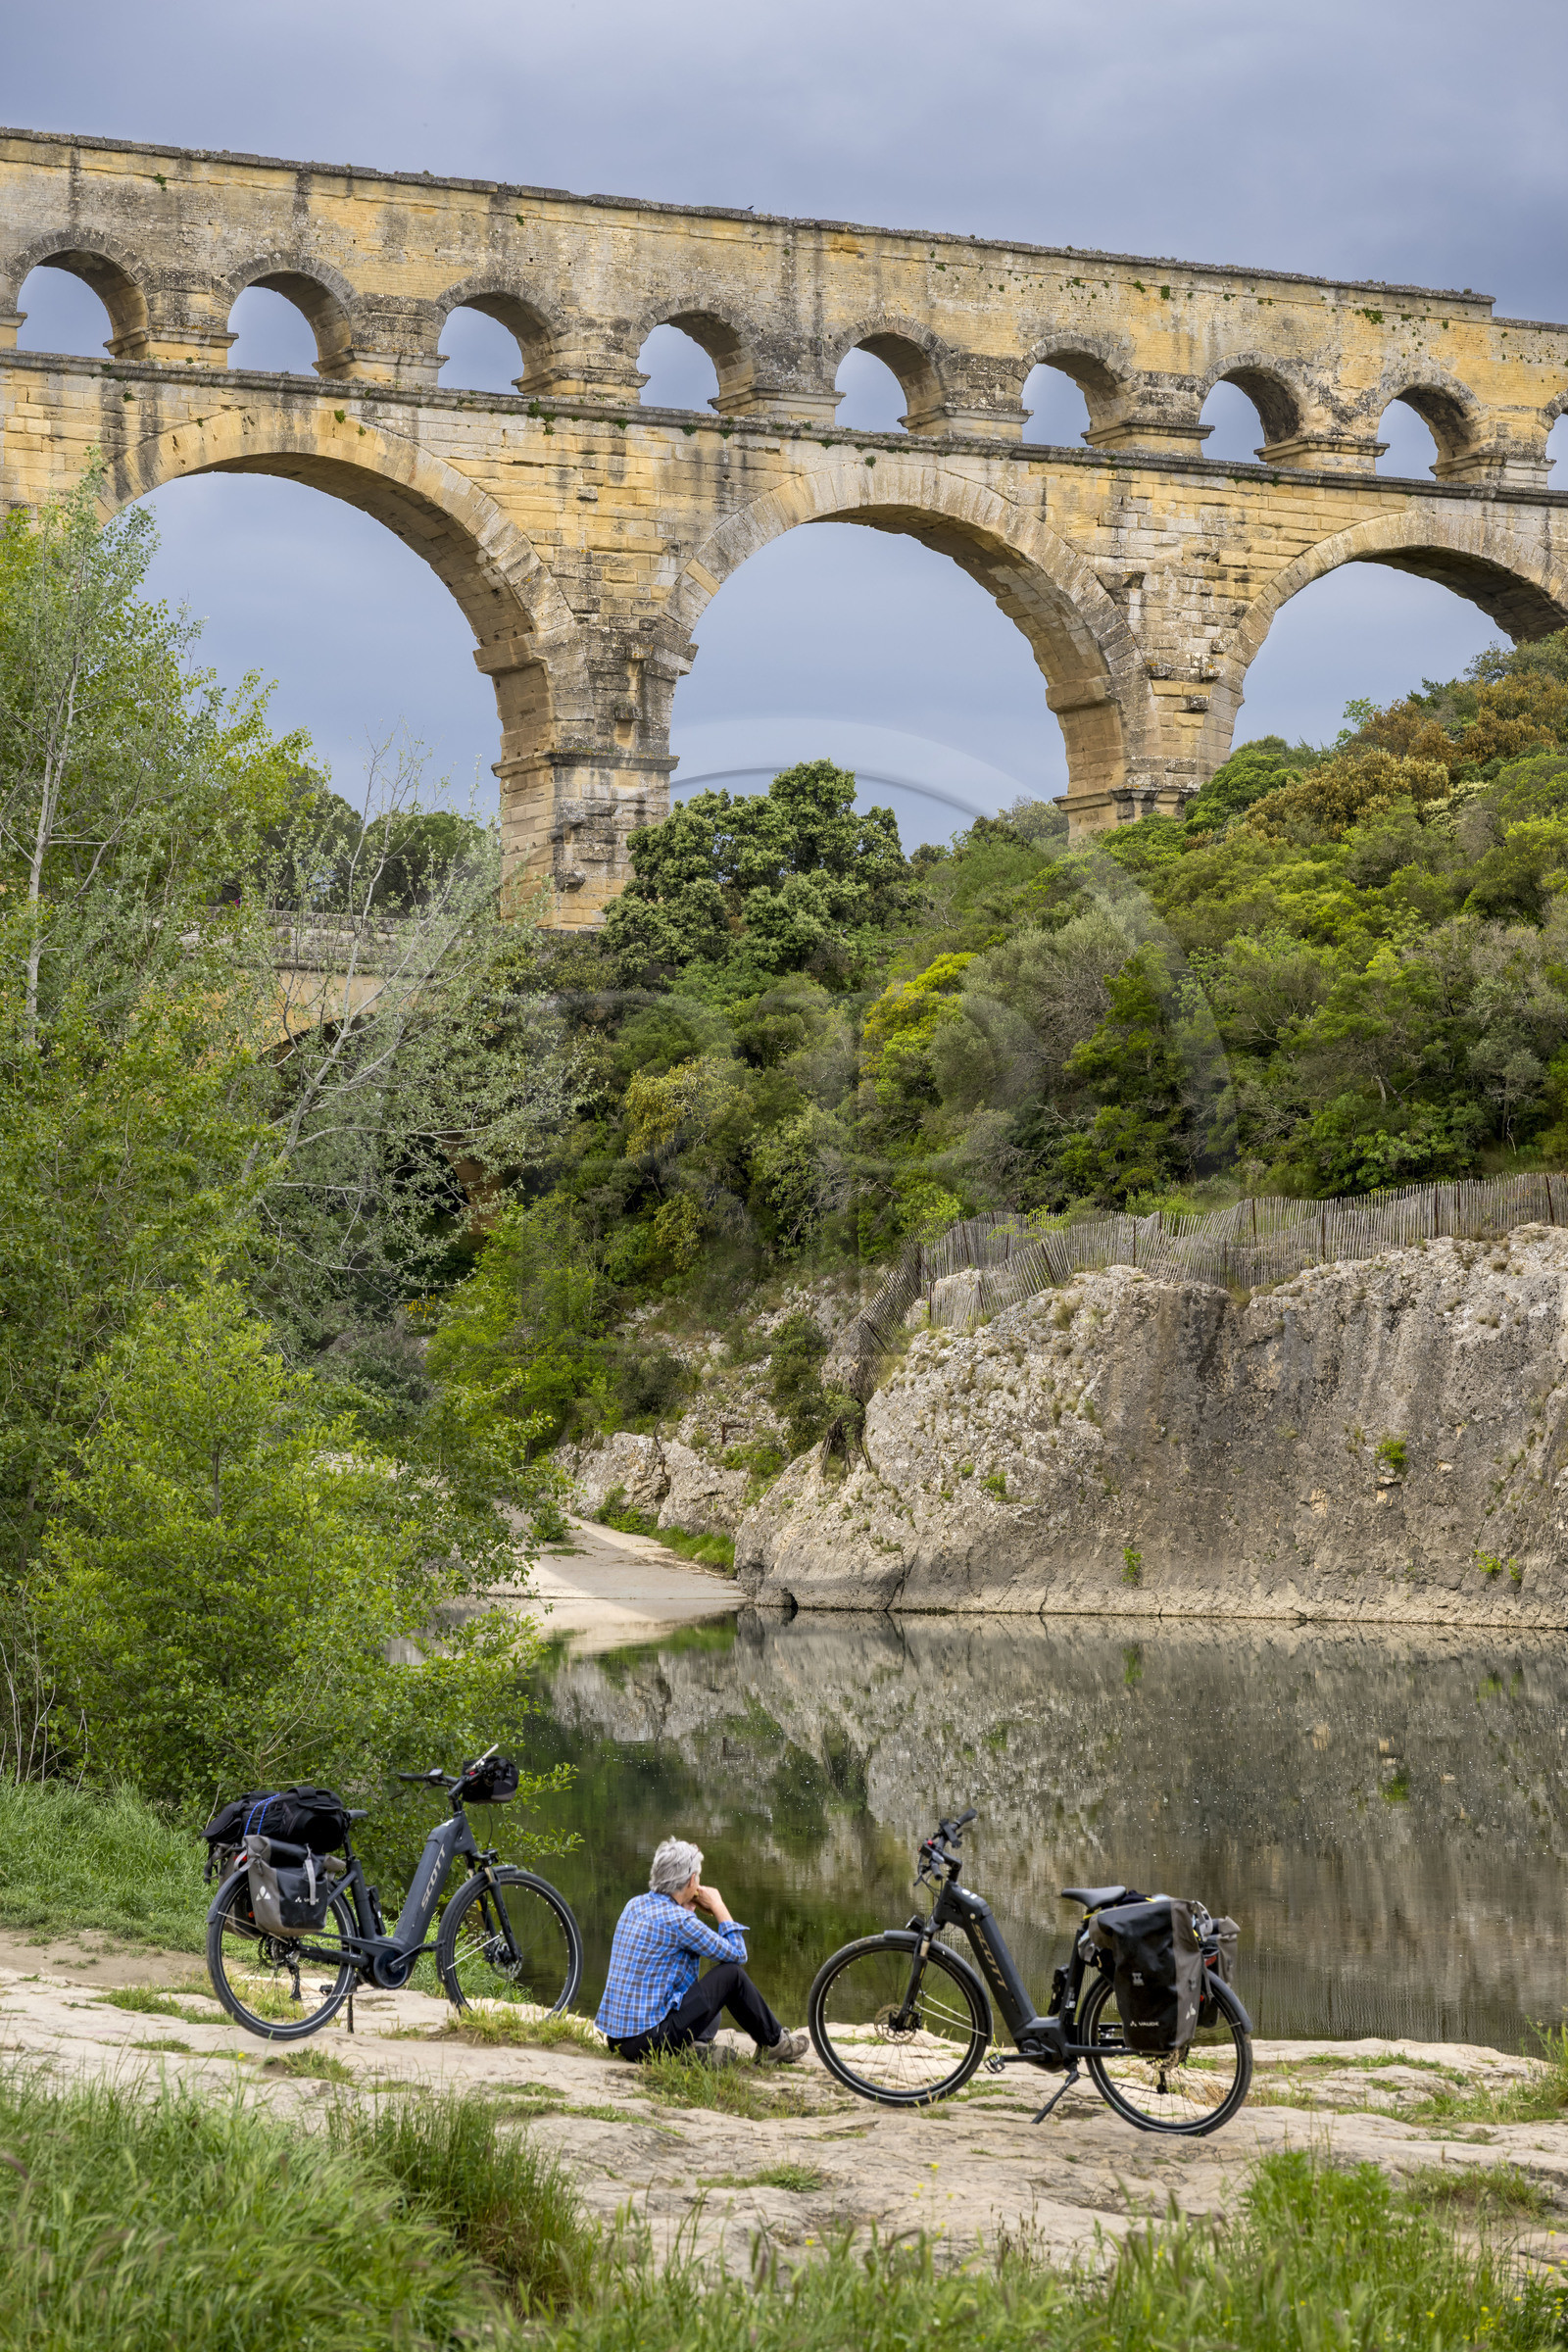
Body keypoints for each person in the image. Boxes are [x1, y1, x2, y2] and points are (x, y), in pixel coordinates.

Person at [596, 1837, 808, 2066]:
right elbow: (738, 1954)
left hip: (618, 2039)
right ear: (691, 1881)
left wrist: (687, 1906)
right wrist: (718, 1906)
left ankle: (688, 2051)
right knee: (731, 1976)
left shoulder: (634, 1905)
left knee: (712, 2015)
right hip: (650, 2041)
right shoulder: (679, 1921)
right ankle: (775, 2044)